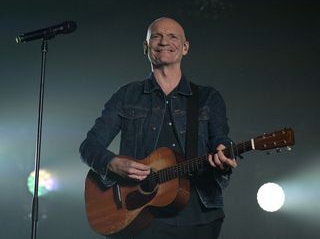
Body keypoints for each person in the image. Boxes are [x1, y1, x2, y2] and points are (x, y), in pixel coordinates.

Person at [80, 17, 237, 239]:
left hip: (198, 218)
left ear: (185, 48)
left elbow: (221, 140)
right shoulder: (127, 96)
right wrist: (112, 163)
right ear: (146, 47)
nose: (164, 42)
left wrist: (224, 154)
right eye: (156, 36)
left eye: (173, 36)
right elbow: (89, 146)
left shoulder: (208, 98)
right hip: (137, 217)